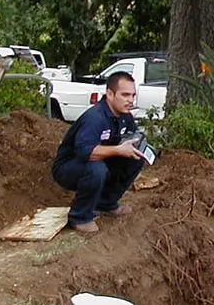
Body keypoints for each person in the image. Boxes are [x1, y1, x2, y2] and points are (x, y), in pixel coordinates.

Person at [51, 71, 146, 234]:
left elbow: (131, 140)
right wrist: (118, 150)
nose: (130, 100)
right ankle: (80, 217)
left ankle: (106, 203)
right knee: (96, 169)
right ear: (109, 94)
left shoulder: (126, 117)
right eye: (125, 95)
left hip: (100, 160)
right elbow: (84, 152)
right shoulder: (95, 118)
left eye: (133, 95)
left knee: (135, 158)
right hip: (68, 167)